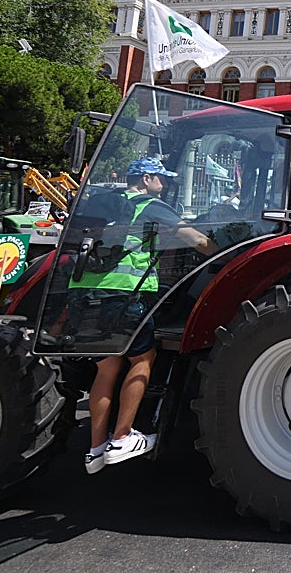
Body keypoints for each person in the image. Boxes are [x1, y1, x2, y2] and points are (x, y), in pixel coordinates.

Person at [83, 156, 214, 474]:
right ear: (144, 179)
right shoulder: (149, 204)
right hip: (126, 294)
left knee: (107, 366)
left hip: (88, 292)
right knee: (142, 360)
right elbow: (196, 241)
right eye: (160, 179)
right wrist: (225, 249)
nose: (165, 184)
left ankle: (96, 448)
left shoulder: (105, 201)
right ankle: (123, 437)